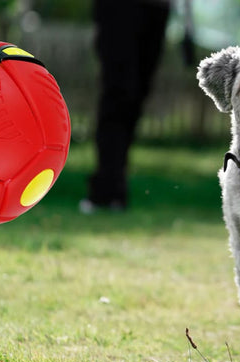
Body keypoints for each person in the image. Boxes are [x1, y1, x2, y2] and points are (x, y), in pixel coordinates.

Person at [79, 0, 171, 213]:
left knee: (136, 97)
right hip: (120, 8)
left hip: (158, 8)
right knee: (119, 93)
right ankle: (105, 188)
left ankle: (115, 186)